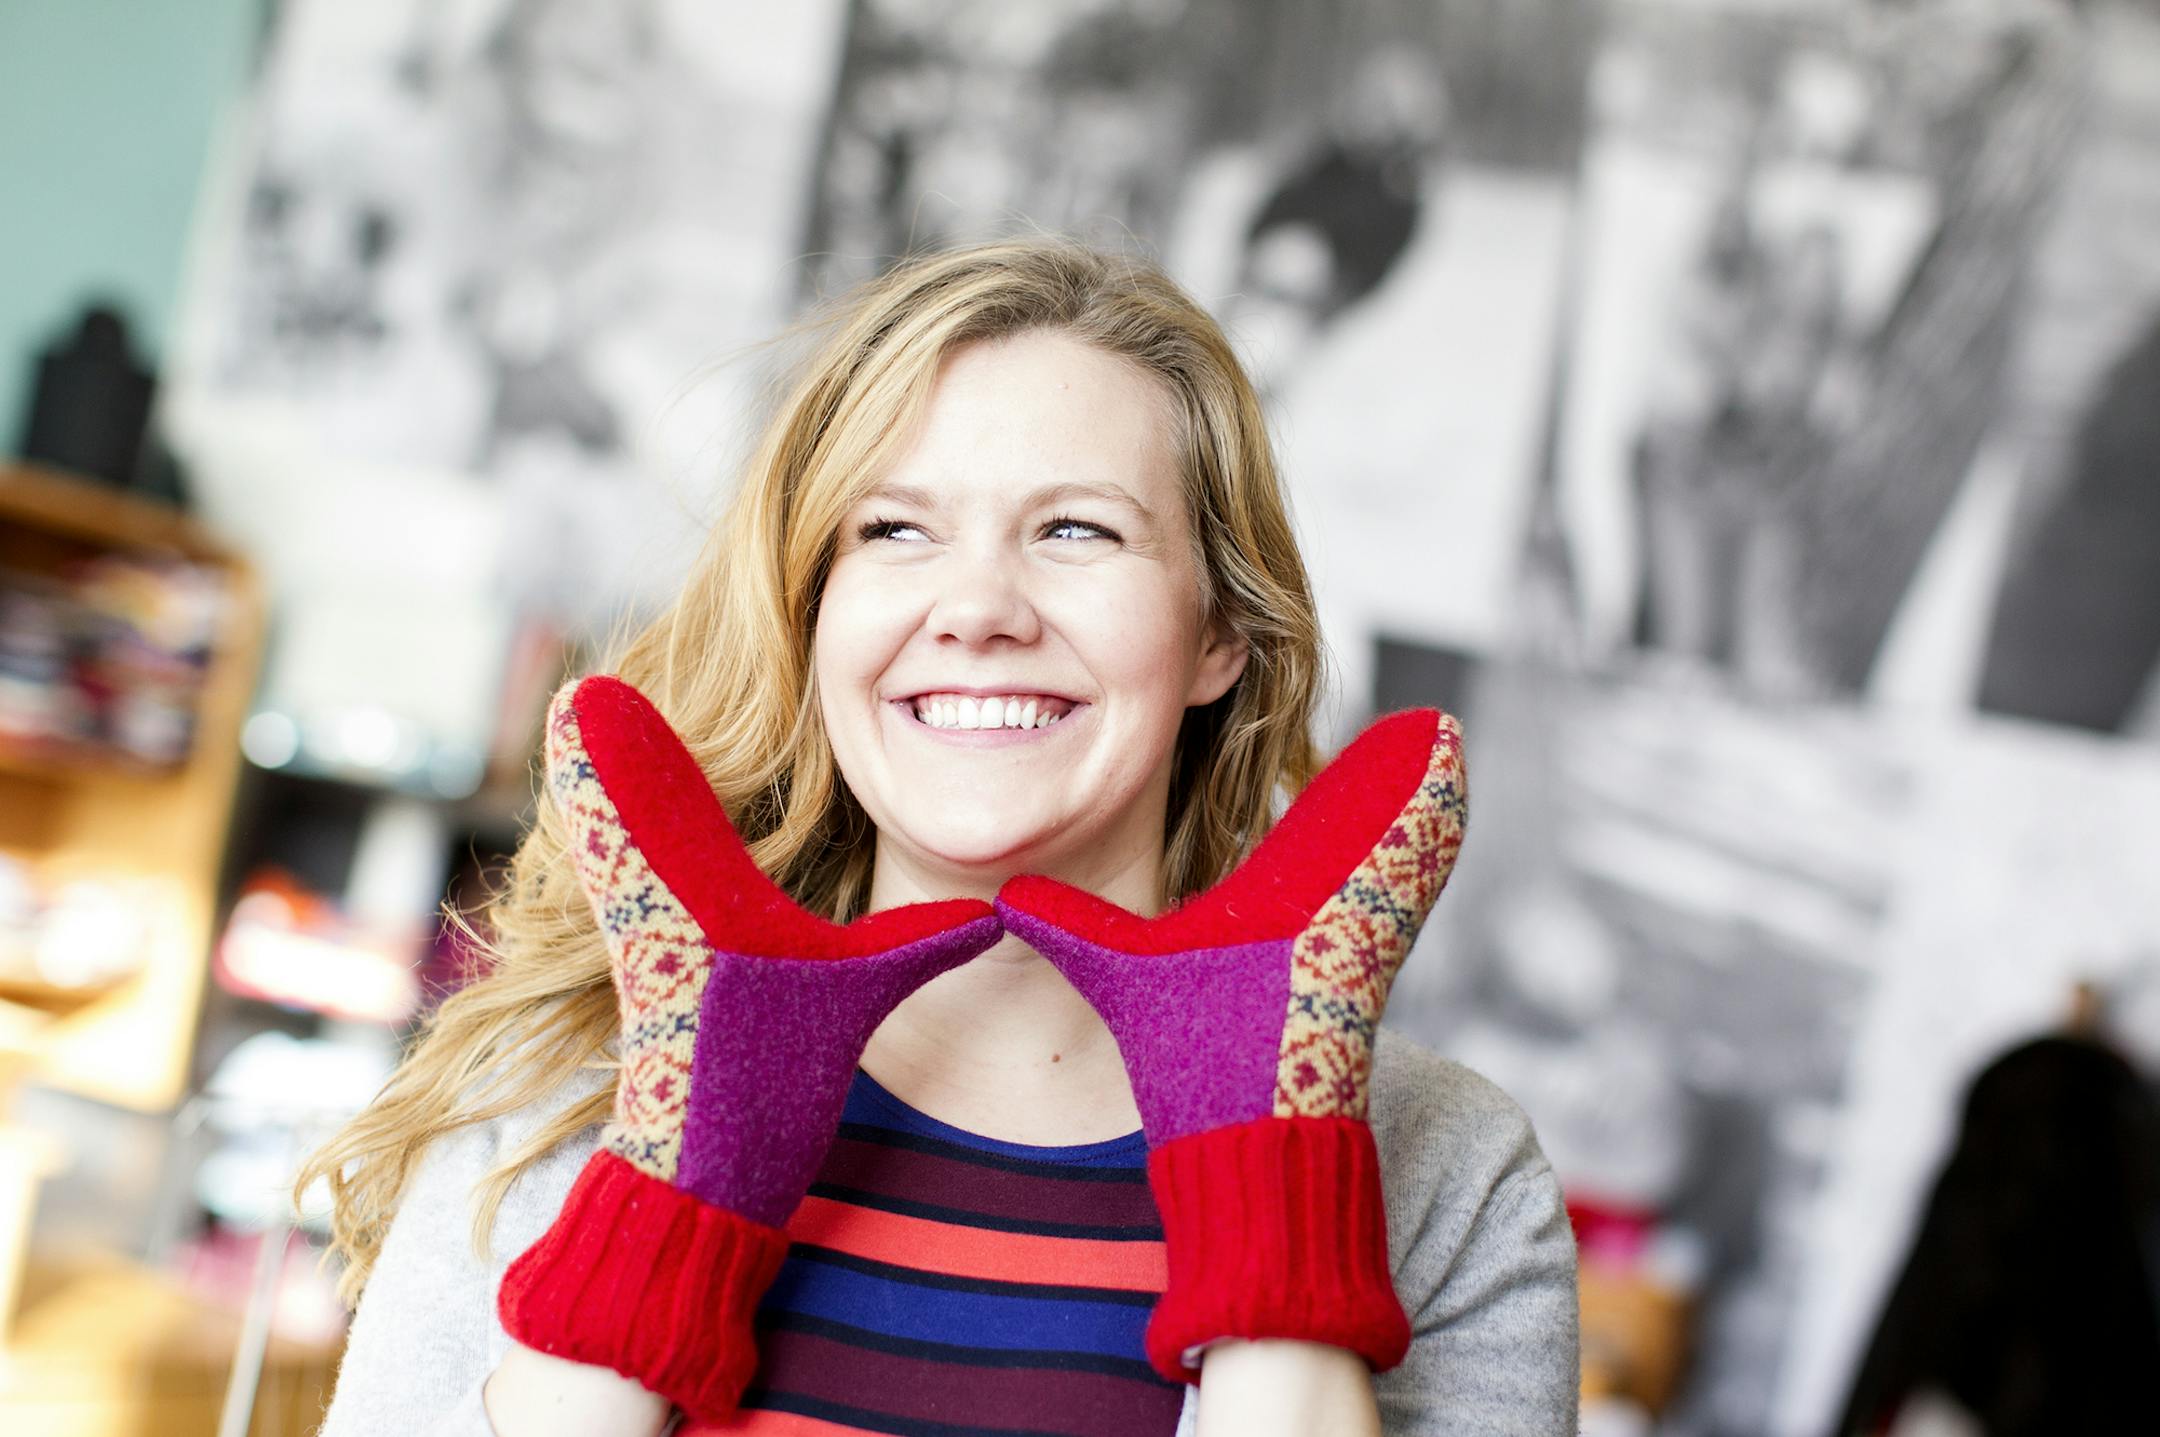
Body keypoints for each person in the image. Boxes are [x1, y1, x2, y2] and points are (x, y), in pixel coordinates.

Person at [295, 236, 1579, 1436]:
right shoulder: (553, 1101)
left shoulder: (1443, 1174)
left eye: (1076, 529)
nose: (976, 607)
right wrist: (673, 1188)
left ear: (1218, 638)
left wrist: (1276, 1181)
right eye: (895, 530)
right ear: (815, 610)